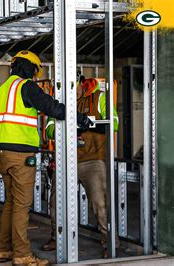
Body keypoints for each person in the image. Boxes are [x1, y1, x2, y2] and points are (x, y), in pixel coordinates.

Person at [0, 50, 92, 266]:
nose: (36, 76)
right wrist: (79, 117)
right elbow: (51, 107)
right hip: (21, 155)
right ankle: (22, 255)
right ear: (29, 68)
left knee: (10, 202)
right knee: (21, 205)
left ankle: (3, 249)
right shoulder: (25, 86)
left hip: (2, 154)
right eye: (35, 71)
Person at [43, 76, 119, 258]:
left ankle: (110, 243)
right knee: (56, 203)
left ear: (81, 83)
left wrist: (87, 126)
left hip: (93, 159)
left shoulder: (99, 97)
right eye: (68, 86)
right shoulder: (57, 103)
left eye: (74, 85)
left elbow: (114, 122)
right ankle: (57, 237)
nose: (73, 90)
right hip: (65, 160)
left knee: (100, 203)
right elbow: (49, 130)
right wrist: (68, 127)